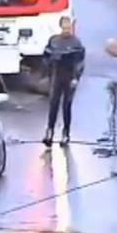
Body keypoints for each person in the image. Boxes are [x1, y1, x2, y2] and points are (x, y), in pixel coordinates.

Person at [42, 15, 86, 146]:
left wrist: (76, 78)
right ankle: (49, 132)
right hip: (57, 75)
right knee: (53, 104)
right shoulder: (54, 40)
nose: (67, 30)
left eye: (69, 27)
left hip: (70, 75)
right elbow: (46, 56)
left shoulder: (76, 43)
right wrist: (48, 68)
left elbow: (80, 62)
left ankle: (66, 133)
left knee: (67, 105)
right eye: (64, 27)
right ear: (60, 26)